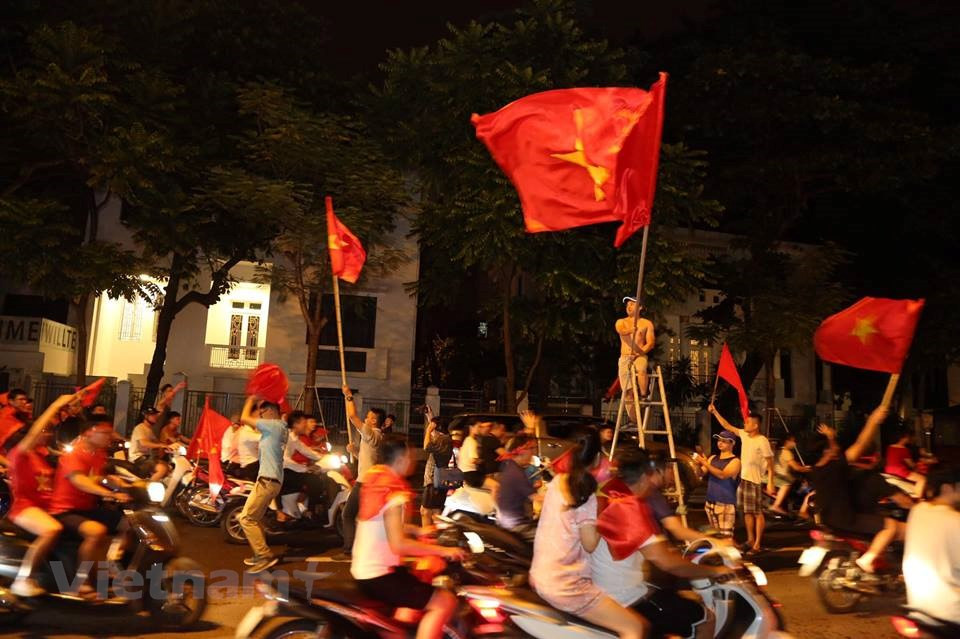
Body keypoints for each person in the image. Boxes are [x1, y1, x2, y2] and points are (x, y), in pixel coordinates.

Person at [592, 449, 730, 639]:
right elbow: (668, 563)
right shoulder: (629, 507)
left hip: (608, 588)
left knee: (677, 602)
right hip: (623, 596)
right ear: (645, 476)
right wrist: (715, 571)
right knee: (706, 618)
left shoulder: (610, 495)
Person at [530, 427, 649, 639]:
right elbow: (590, 544)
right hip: (566, 584)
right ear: (596, 458)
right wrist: (606, 514)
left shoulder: (557, 482)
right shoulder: (585, 493)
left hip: (541, 574)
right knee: (634, 627)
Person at [351, 434, 465, 639]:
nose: (414, 461)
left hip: (365, 570)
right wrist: (445, 550)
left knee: (413, 595)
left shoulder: (376, 479)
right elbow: (399, 544)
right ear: (401, 459)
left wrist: (419, 531)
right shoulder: (394, 490)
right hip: (380, 575)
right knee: (444, 602)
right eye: (411, 456)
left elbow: (384, 524)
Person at [808, 404, 907, 574]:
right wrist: (873, 420)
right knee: (891, 525)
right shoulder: (835, 468)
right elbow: (861, 442)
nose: (837, 449)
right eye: (833, 447)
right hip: (846, 519)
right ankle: (867, 560)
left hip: (829, 521)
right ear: (827, 452)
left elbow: (835, 450)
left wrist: (831, 438)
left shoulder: (816, 471)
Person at [49, 414, 132, 598]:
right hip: (65, 509)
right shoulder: (74, 453)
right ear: (89, 432)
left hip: (87, 508)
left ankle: (112, 564)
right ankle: (81, 582)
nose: (109, 437)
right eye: (105, 433)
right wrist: (109, 493)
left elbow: (96, 478)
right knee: (96, 531)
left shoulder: (99, 454)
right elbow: (80, 481)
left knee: (130, 524)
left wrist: (116, 483)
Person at [6, 393, 76, 596]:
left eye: (49, 432)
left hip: (47, 507)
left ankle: (75, 581)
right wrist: (55, 404)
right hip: (25, 508)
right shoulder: (21, 455)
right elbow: (36, 431)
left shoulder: (42, 457)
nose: (47, 434)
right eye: (44, 431)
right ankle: (23, 579)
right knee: (51, 530)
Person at [709, 404, 775, 553]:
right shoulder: (744, 435)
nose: (744, 424)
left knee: (757, 513)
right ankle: (750, 539)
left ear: (755, 425)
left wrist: (770, 481)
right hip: (744, 479)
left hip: (755, 481)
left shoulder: (762, 440)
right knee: (747, 512)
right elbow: (727, 425)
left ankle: (757, 543)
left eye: (747, 422)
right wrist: (714, 411)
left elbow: (770, 462)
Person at [902, 464, 960, 625]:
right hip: (950, 613)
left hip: (918, 607)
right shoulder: (954, 520)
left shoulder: (918, 510)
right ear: (947, 488)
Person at [238, 396, 290, 573]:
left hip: (267, 480)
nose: (260, 415)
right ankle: (260, 553)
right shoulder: (280, 428)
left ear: (272, 411)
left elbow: (244, 418)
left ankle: (264, 555)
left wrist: (250, 399)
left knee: (246, 518)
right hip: (272, 480)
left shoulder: (274, 425)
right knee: (253, 518)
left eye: (263, 412)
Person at [339, 385, 385, 557]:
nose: (366, 419)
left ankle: (348, 549)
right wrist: (355, 452)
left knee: (348, 514)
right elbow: (369, 459)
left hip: (365, 482)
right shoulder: (379, 437)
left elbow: (352, 416)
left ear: (374, 421)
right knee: (368, 517)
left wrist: (349, 396)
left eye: (369, 417)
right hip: (372, 481)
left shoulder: (372, 433)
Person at [280, 411, 329, 521]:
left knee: (314, 479)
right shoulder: (286, 437)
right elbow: (285, 460)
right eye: (303, 422)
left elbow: (306, 451)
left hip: (287, 469)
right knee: (314, 481)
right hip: (282, 471)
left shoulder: (294, 438)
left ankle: (304, 509)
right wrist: (306, 469)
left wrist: (325, 457)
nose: (306, 425)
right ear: (295, 424)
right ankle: (309, 513)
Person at [615, 297, 655, 423]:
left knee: (641, 369)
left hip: (639, 355)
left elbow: (650, 343)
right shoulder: (621, 321)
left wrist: (639, 353)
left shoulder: (646, 323)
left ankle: (644, 395)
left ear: (640, 307)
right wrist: (630, 330)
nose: (629, 307)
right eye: (627, 304)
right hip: (625, 357)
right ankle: (635, 420)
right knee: (628, 392)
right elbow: (620, 330)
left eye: (632, 304)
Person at [694, 431, 741, 538]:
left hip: (725, 503)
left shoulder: (735, 461)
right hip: (710, 502)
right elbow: (700, 473)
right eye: (719, 440)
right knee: (716, 537)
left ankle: (733, 554)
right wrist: (698, 464)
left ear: (732, 443)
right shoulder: (712, 458)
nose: (720, 443)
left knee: (726, 538)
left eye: (724, 441)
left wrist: (705, 462)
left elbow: (723, 475)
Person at [495, 433, 541, 541]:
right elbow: (537, 498)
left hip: (506, 521)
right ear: (521, 451)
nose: (534, 453)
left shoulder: (510, 466)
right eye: (531, 448)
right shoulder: (517, 474)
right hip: (516, 526)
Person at [421, 407, 453, 527]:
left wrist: (429, 429)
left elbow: (427, 446)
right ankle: (436, 537)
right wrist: (430, 416)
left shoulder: (443, 441)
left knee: (426, 511)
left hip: (434, 481)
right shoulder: (444, 439)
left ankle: (427, 538)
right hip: (438, 481)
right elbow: (434, 437)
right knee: (435, 512)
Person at [770, 433, 811, 515]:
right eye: (793, 441)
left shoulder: (779, 451)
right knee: (792, 483)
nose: (794, 443)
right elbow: (796, 468)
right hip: (782, 477)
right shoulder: (787, 452)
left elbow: (791, 464)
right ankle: (776, 505)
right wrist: (807, 469)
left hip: (778, 475)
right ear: (787, 441)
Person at [128, 407, 173, 481]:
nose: (155, 417)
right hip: (137, 458)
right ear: (146, 417)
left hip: (147, 457)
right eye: (153, 415)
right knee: (162, 469)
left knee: (168, 466)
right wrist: (161, 445)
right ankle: (147, 489)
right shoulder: (140, 428)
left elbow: (156, 442)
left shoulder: (149, 429)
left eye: (155, 415)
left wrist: (169, 445)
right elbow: (144, 443)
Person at [885, 430, 927, 499]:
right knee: (922, 479)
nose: (908, 439)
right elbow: (911, 465)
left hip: (889, 470)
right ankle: (917, 498)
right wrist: (917, 464)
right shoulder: (903, 449)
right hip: (900, 471)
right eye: (907, 437)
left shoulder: (890, 447)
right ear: (902, 438)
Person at [457, 420, 486, 487]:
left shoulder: (466, 440)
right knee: (496, 486)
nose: (480, 429)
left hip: (465, 473)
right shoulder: (472, 441)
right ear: (471, 427)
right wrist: (483, 461)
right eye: (479, 426)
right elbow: (473, 460)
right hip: (471, 474)